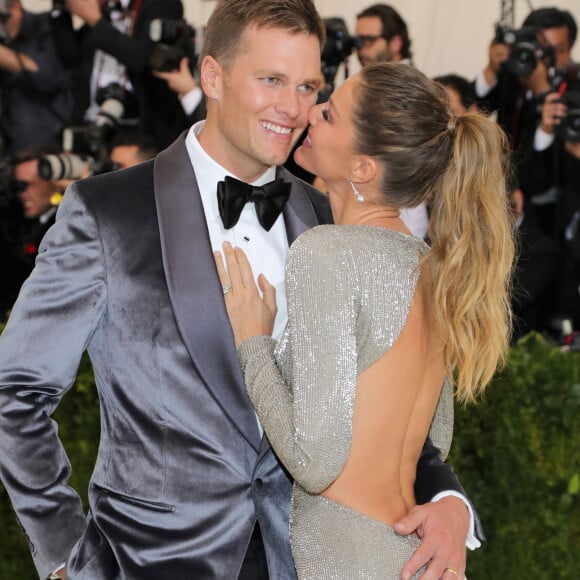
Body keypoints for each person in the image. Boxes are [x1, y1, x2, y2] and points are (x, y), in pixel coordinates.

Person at [0, 1, 477, 578]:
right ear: (212, 76)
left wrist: (450, 504)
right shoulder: (107, 214)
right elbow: (15, 394)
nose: (293, 108)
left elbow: (396, 408)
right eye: (271, 80)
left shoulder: (334, 225)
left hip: (300, 562)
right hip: (146, 564)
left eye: (308, 87)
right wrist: (64, 558)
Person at [215, 62, 514, 579]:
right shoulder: (435, 269)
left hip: (346, 557)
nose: (310, 112)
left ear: (363, 170)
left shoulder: (327, 253)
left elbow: (314, 461)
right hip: (410, 557)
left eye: (328, 114)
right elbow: (433, 439)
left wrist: (253, 341)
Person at [50, 0, 187, 149]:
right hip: (92, 121)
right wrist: (60, 9)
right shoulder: (104, 9)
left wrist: (96, 21)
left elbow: (142, 59)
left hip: (139, 128)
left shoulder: (161, 4)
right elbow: (70, 57)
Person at [0, 0, 73, 154]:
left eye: (2, 18)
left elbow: (51, 78)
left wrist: (7, 58)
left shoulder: (46, 26)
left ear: (17, 7)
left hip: (41, 148)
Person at [0, 144, 64, 318]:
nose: (22, 193)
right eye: (17, 186)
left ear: (55, 181)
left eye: (26, 185)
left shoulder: (65, 225)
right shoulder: (18, 222)